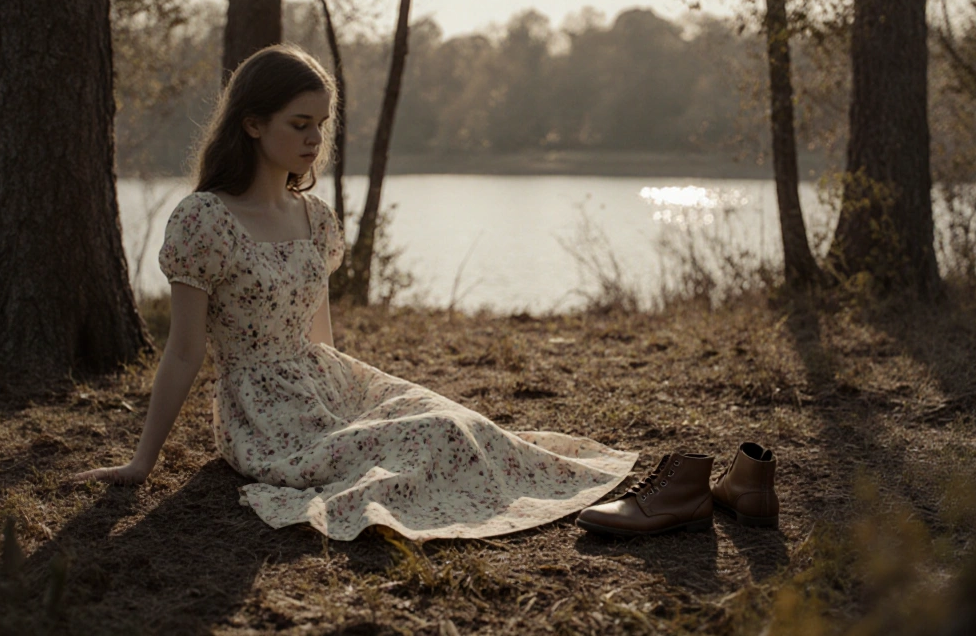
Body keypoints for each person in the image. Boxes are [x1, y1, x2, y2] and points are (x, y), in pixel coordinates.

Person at [74, 45, 637, 541]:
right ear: (252, 125)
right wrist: (141, 463)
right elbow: (184, 351)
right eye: (299, 124)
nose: (315, 139)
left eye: (321, 123)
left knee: (451, 418)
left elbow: (320, 334)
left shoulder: (315, 218)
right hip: (264, 415)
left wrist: (352, 399)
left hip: (326, 380)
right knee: (430, 436)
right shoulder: (204, 221)